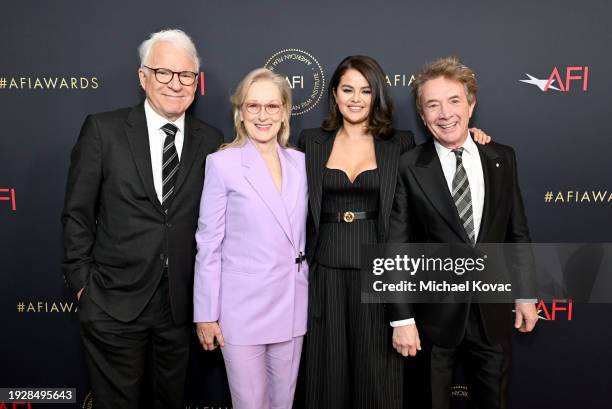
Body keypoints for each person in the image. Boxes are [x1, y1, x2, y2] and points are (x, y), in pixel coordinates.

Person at [297, 55, 491, 409]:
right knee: (327, 378)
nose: (356, 98)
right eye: (347, 89)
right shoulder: (310, 141)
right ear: (335, 95)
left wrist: (475, 139)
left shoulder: (399, 144)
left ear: (377, 96)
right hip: (325, 273)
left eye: (366, 90)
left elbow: (444, 157)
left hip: (381, 275)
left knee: (379, 380)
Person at [61, 29, 223, 409]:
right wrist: (84, 285)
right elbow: (77, 214)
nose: (175, 84)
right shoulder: (104, 130)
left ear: (196, 82)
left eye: (185, 75)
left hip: (179, 307)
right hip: (112, 301)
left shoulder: (212, 140)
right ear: (143, 77)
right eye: (163, 73)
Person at [388, 56, 538, 409]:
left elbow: (517, 232)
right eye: (433, 105)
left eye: (454, 101)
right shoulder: (409, 166)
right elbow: (397, 246)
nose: (445, 114)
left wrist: (526, 295)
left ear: (471, 104)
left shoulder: (502, 157)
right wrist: (402, 317)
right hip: (432, 321)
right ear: (423, 117)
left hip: (493, 314)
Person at [193, 68, 308, 409]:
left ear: (285, 112)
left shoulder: (302, 163)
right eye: (253, 106)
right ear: (240, 112)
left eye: (272, 106)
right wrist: (206, 313)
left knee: (283, 402)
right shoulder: (222, 164)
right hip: (241, 311)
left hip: (291, 304)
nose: (263, 115)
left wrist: (473, 137)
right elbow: (208, 243)